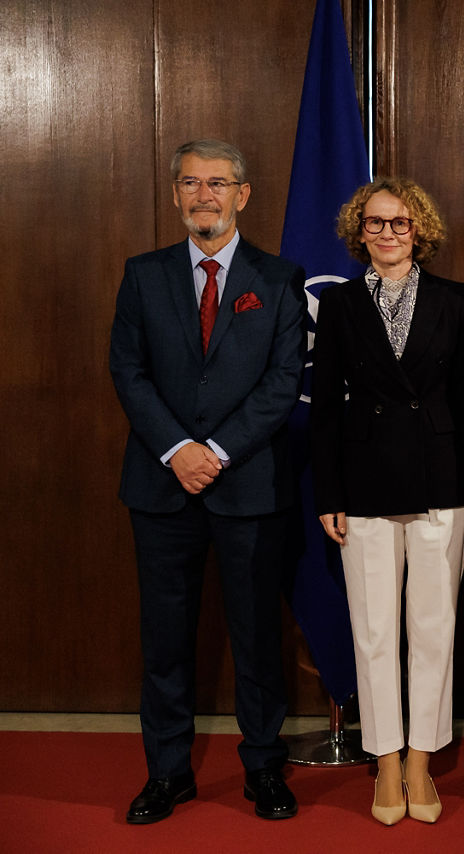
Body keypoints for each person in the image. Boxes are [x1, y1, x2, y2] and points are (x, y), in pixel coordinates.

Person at [109, 138, 306, 823]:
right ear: (175, 195)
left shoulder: (278, 278)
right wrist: (178, 450)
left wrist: (215, 451)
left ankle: (264, 768)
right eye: (191, 183)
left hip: (248, 485)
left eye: (217, 183)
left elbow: (284, 381)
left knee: (256, 637)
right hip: (161, 487)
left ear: (241, 195)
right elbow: (127, 371)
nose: (204, 195)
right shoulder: (143, 274)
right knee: (165, 641)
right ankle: (167, 773)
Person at [310, 178, 464, 826]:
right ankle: (384, 761)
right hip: (364, 484)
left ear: (419, 231)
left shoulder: (453, 299)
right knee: (376, 630)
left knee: (433, 630)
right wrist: (328, 492)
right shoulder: (340, 303)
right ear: (360, 232)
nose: (387, 233)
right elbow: (325, 408)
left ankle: (420, 761)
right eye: (375, 223)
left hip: (442, 482)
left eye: (400, 223)